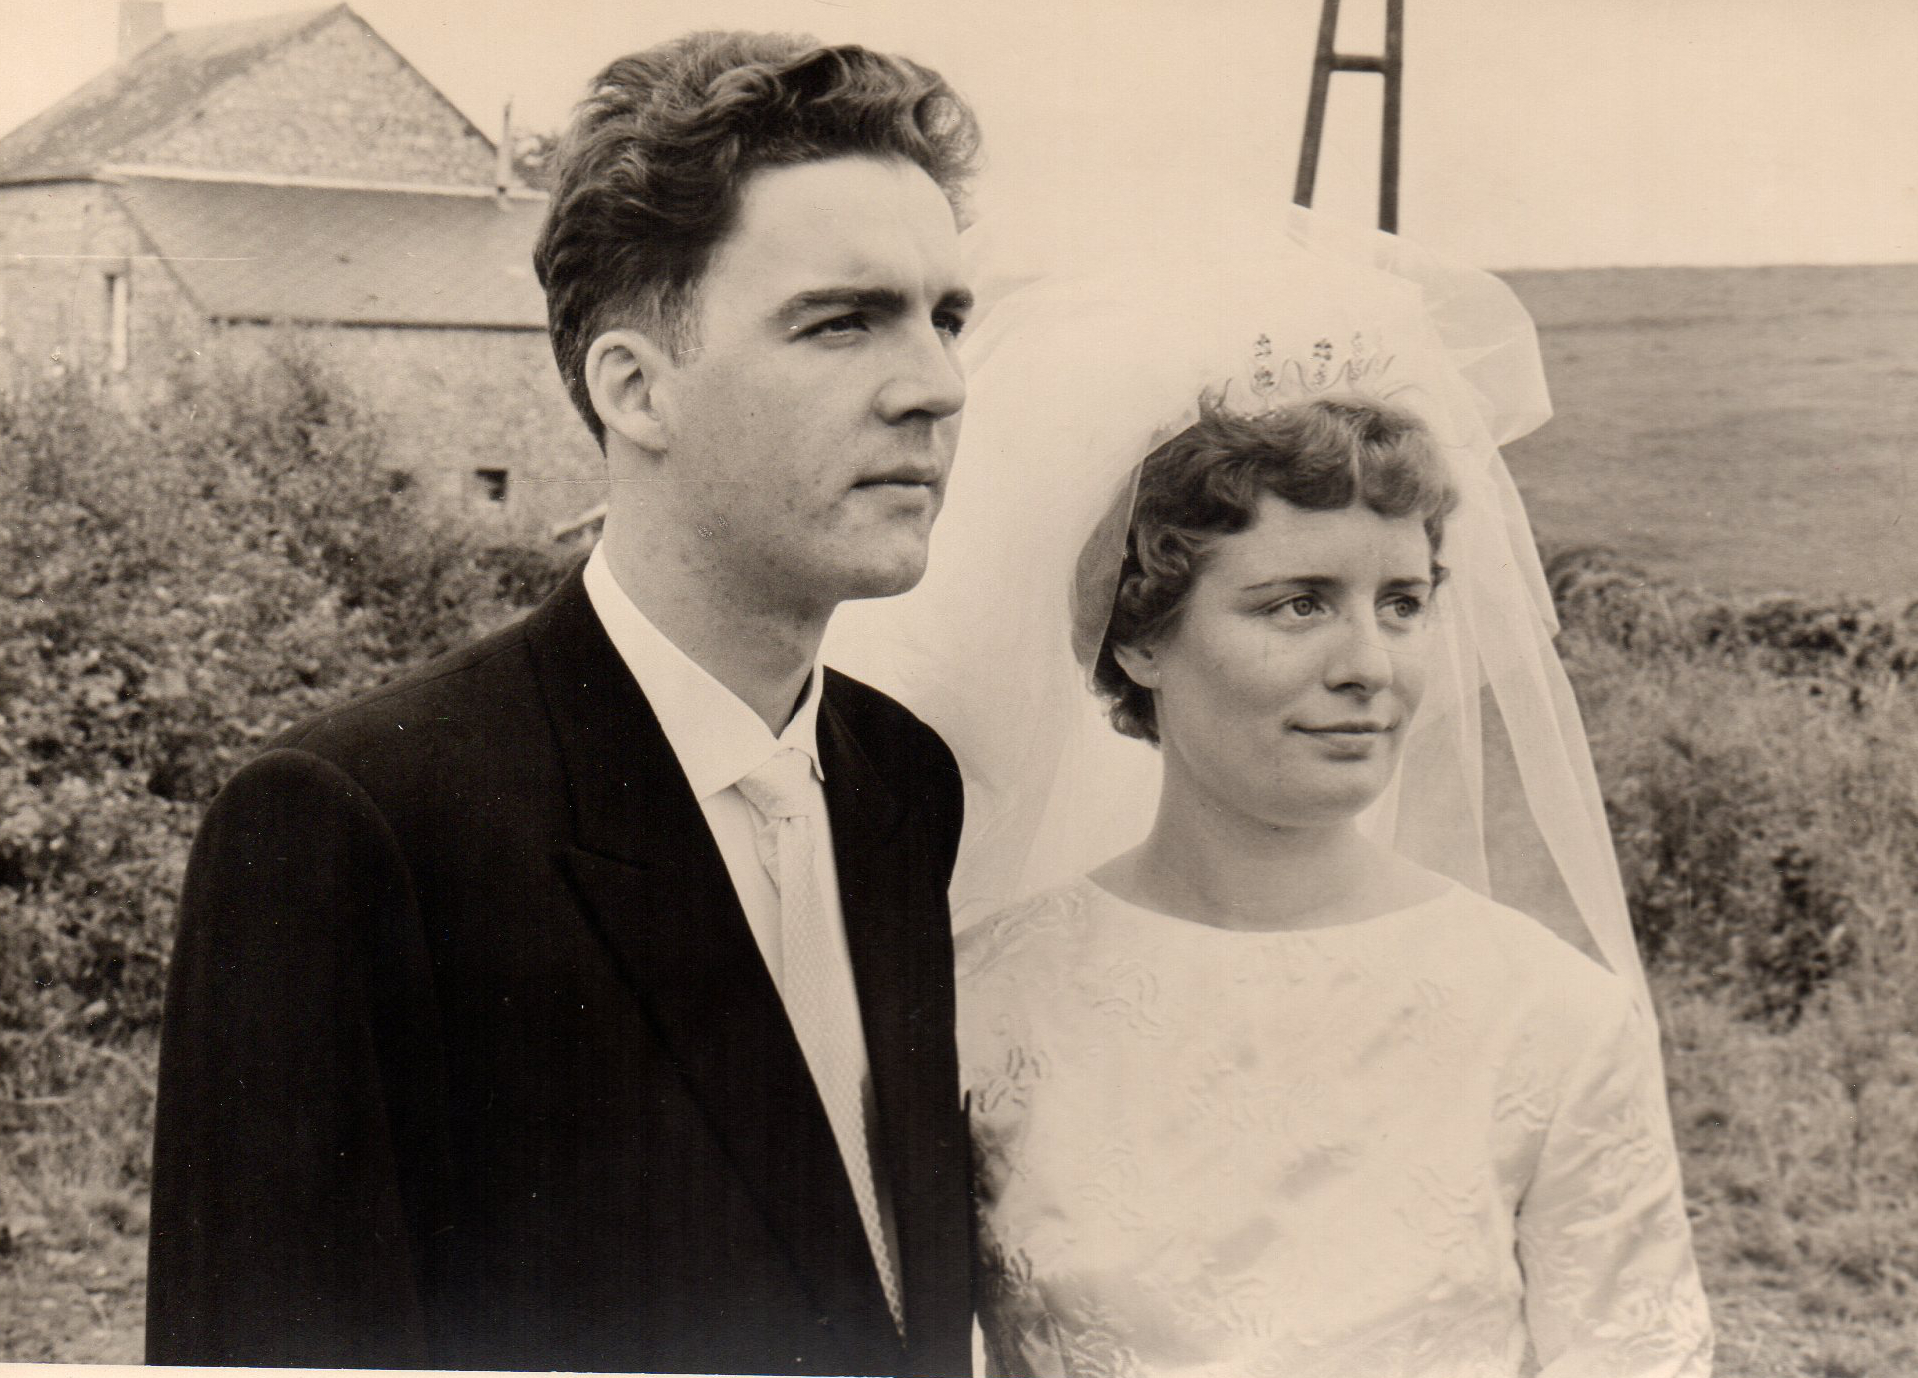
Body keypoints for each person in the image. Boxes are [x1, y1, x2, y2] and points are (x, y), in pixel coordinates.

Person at [145, 31, 979, 1376]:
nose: (935, 386)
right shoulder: (352, 827)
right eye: (842, 321)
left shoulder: (904, 782)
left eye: (947, 318)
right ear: (633, 387)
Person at [828, 214, 1713, 1375]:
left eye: (1401, 603)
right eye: (1298, 603)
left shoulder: (1553, 1020)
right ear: (1141, 635)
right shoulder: (981, 1005)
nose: (1370, 665)